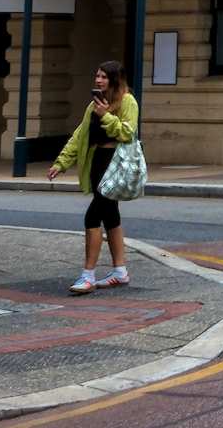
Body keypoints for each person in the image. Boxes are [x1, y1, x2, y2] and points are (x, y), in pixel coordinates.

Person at [46, 60, 139, 295]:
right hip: (97, 162)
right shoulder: (94, 104)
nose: (98, 80)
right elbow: (80, 135)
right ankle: (120, 271)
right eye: (97, 76)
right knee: (110, 215)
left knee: (93, 216)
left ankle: (88, 275)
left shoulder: (127, 101)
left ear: (115, 79)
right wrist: (61, 162)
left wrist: (106, 115)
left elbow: (127, 133)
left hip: (114, 164)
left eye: (104, 77)